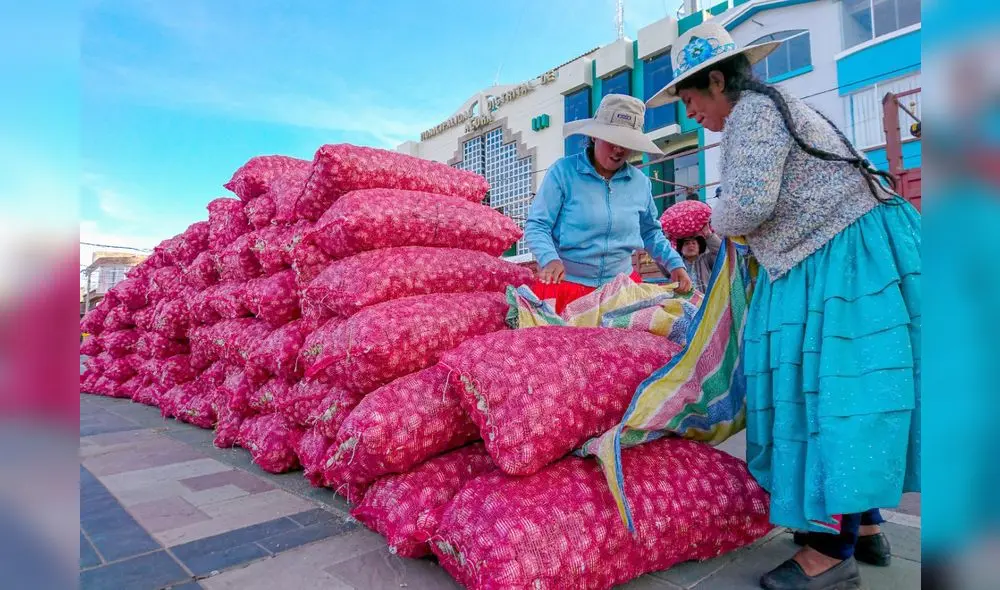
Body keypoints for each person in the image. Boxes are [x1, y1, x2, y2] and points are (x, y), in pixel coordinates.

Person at [646, 21, 920, 590]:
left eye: (691, 98)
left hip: (836, 256)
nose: (689, 112)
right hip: (847, 245)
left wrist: (708, 217)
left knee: (825, 392)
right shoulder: (777, 105)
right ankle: (865, 527)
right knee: (846, 388)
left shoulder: (752, 113)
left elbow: (746, 206)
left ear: (718, 82)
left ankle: (828, 552)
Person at [524, 94, 692, 313]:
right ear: (594, 137)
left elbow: (650, 232)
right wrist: (550, 259)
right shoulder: (563, 172)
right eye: (612, 141)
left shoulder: (640, 183)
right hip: (566, 288)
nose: (618, 150)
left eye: (626, 143)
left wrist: (674, 264)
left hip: (620, 291)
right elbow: (538, 225)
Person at [660, 224, 720, 294]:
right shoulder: (675, 264)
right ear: (681, 249)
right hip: (681, 301)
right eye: (687, 243)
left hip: (706, 301)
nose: (691, 246)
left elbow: (720, 252)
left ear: (699, 247)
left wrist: (708, 234)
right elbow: (662, 259)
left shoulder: (707, 259)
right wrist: (665, 239)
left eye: (694, 243)